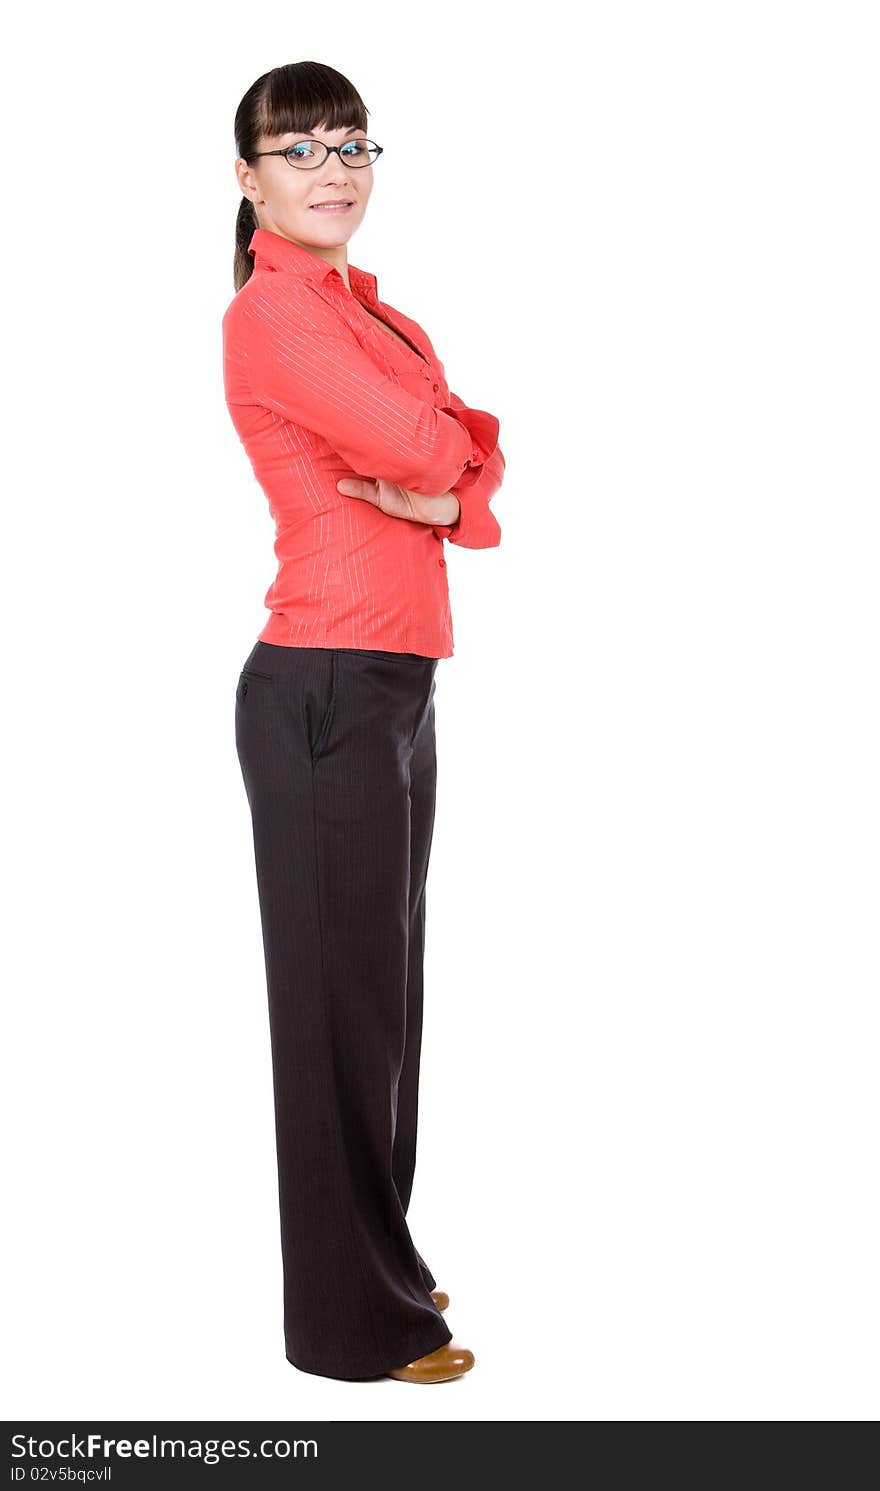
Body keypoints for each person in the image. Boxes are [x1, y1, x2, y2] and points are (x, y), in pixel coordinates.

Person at [222, 60, 505, 1384]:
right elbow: (434, 443)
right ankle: (350, 1324)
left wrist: (446, 491)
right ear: (249, 179)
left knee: (383, 1009)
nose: (334, 168)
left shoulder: (364, 308)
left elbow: (460, 450)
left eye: (351, 143)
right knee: (336, 1013)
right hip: (324, 684)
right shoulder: (277, 321)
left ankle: (377, 1259)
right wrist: (444, 477)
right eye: (300, 150)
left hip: (390, 680)